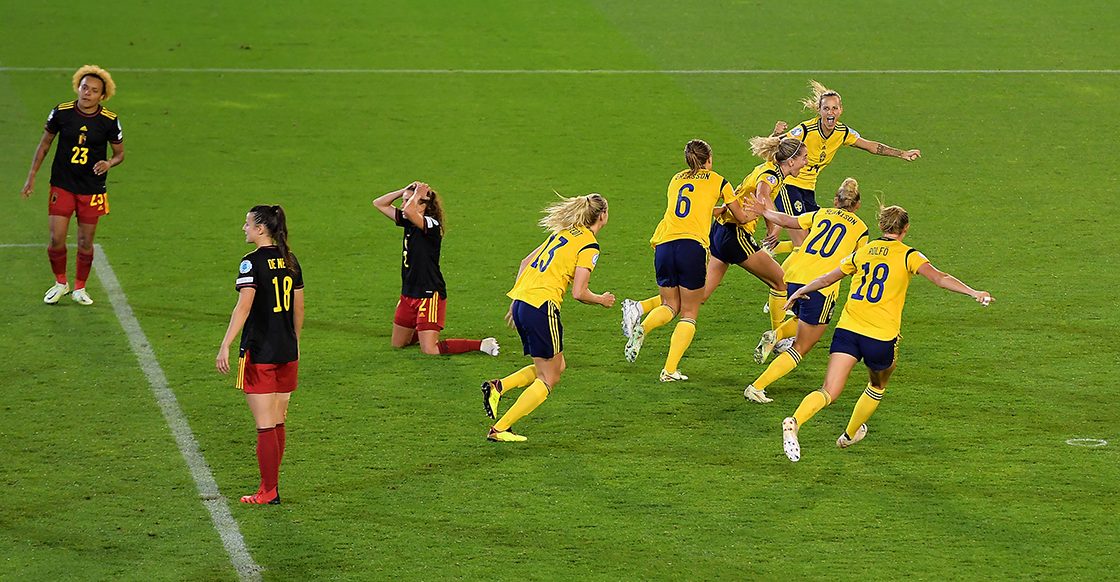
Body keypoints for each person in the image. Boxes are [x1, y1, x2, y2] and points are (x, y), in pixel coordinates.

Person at [780, 204, 993, 462]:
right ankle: (849, 434)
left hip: (848, 329)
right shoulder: (909, 255)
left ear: (881, 226)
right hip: (880, 336)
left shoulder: (862, 252)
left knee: (828, 391)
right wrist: (973, 292)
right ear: (906, 229)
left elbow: (827, 278)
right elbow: (939, 278)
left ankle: (795, 421)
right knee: (878, 383)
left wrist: (800, 291)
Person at [620, 136, 807, 346]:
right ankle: (778, 338)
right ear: (791, 161)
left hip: (720, 231)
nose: (807, 162)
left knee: (698, 295)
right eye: (804, 158)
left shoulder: (769, 168)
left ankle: (639, 307)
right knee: (780, 282)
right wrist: (775, 225)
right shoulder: (771, 175)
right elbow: (763, 193)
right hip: (736, 233)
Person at [482, 193, 614, 442]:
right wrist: (602, 299)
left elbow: (525, 262)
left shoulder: (564, 232)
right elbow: (579, 292)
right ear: (603, 216)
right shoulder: (589, 245)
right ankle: (500, 429)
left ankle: (498, 387)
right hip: (542, 307)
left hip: (523, 302)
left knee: (557, 366)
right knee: (549, 377)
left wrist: (516, 300)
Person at [622, 139, 750, 382]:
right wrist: (752, 212)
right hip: (691, 247)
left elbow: (691, 208)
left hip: (664, 245)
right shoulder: (719, 181)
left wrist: (718, 210)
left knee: (670, 305)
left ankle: (643, 328)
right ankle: (669, 370)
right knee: (689, 312)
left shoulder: (676, 179)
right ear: (709, 159)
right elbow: (741, 217)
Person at [743, 177, 869, 403]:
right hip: (820, 286)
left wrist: (764, 211)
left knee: (802, 319)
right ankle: (757, 387)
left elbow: (788, 220)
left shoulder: (821, 214)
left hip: (794, 277)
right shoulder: (860, 229)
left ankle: (776, 334)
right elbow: (859, 263)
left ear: (835, 200)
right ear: (858, 205)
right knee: (801, 347)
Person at [216, 206, 305, 504]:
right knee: (277, 421)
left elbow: (243, 307)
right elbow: (299, 307)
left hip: (261, 350)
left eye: (247, 224)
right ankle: (272, 487)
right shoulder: (290, 259)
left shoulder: (251, 262)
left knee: (265, 424)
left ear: (261, 229)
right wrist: (295, 341)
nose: (244, 228)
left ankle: (268, 490)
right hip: (287, 350)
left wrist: (226, 344)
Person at [767, 79, 921, 250]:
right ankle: (775, 260)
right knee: (802, 242)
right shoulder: (805, 130)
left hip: (808, 189)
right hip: (788, 185)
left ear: (841, 110)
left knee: (816, 238)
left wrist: (902, 153)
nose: (830, 112)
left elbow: (871, 146)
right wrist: (775, 134)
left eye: (834, 108)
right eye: (826, 108)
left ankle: (770, 249)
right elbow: (773, 145)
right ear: (819, 110)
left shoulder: (843, 132)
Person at [21, 65, 125, 306]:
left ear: (102, 95)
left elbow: (120, 154)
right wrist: (32, 176)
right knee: (56, 238)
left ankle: (80, 287)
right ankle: (61, 283)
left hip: (92, 188)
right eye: (84, 87)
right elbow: (45, 144)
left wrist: (109, 163)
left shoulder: (109, 120)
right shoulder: (62, 112)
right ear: (78, 87)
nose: (87, 93)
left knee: (85, 241)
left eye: (94, 90)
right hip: (62, 183)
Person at [373, 182, 499, 356]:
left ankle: (482, 344)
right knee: (398, 344)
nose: (403, 205)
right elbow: (379, 203)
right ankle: (424, 328)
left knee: (430, 350)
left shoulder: (431, 224)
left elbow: (408, 211)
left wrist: (417, 194)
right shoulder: (408, 220)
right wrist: (404, 191)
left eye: (408, 201)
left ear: (423, 206)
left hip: (428, 293)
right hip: (408, 292)